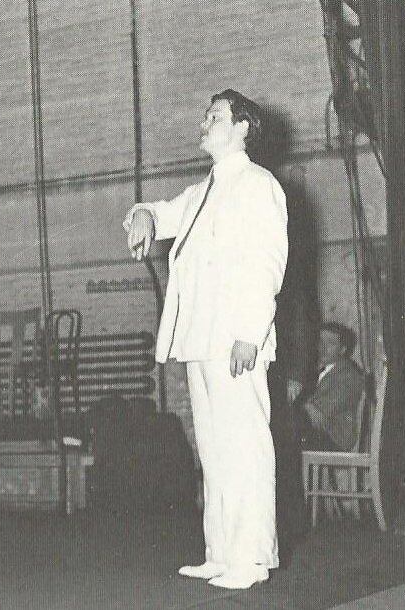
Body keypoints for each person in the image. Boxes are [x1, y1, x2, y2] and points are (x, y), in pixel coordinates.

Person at [124, 89, 288, 589]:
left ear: (242, 128)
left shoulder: (259, 185)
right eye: (206, 114)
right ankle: (221, 551)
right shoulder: (202, 193)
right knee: (214, 448)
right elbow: (159, 212)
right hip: (202, 340)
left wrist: (248, 333)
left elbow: (267, 262)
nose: (205, 121)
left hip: (236, 339)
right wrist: (144, 216)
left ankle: (253, 558)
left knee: (245, 445)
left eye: (215, 115)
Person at [298, 322, 365, 451]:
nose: (323, 348)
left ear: (342, 349)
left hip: (335, 438)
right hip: (321, 433)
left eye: (330, 343)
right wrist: (307, 405)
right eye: (321, 342)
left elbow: (321, 412)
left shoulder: (348, 375)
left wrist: (305, 404)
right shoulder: (322, 369)